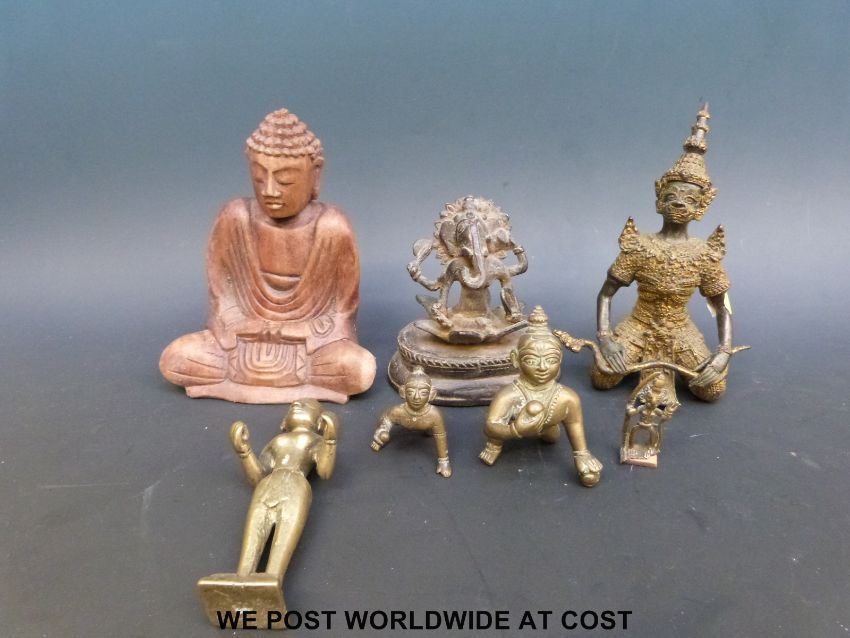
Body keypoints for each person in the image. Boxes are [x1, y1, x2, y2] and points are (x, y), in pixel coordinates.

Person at [160, 109, 376, 403]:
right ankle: (267, 379)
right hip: (240, 344)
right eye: (260, 178)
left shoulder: (332, 227)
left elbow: (341, 311)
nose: (270, 191)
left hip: (311, 348)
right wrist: (244, 327)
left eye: (285, 181)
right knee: (177, 358)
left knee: (358, 369)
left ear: (315, 174)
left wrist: (296, 331)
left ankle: (248, 379)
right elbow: (223, 298)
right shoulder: (234, 218)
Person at [593, 106, 733, 402]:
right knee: (602, 377)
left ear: (700, 208)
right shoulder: (640, 246)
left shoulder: (703, 254)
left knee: (711, 389)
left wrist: (723, 353)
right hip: (638, 324)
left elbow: (721, 307)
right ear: (659, 201)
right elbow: (606, 294)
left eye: (689, 200)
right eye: (671, 197)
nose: (679, 204)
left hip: (680, 330)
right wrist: (605, 338)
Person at [481, 307, 602, 487]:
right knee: (496, 433)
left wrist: (582, 453)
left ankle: (547, 429)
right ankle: (494, 445)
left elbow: (574, 423)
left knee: (552, 437)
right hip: (512, 426)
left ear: (560, 360)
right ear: (516, 359)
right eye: (532, 360)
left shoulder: (567, 398)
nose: (543, 367)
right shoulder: (509, 395)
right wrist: (514, 430)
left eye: (551, 360)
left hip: (548, 425)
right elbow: (490, 426)